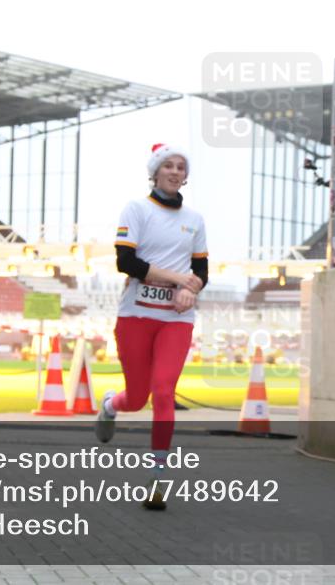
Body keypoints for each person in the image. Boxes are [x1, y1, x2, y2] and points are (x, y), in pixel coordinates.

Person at [96, 143, 208, 511]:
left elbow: (202, 270)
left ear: (185, 176)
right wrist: (179, 279)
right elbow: (125, 262)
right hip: (136, 316)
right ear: (155, 172)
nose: (175, 171)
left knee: (163, 392)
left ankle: (158, 477)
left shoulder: (195, 219)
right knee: (137, 397)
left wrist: (191, 290)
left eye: (181, 167)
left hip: (176, 320)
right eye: (168, 166)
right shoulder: (137, 209)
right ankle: (111, 404)